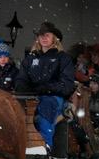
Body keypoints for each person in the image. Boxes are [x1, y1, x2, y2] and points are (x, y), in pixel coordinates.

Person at [15, 21, 76, 150]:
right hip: (31, 97)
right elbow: (21, 80)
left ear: (55, 38)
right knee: (13, 107)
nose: (43, 38)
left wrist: (47, 88)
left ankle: (46, 146)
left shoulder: (63, 58)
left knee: (46, 107)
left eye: (47, 35)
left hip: (54, 98)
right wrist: (24, 90)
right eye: (40, 35)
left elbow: (67, 86)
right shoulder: (29, 59)